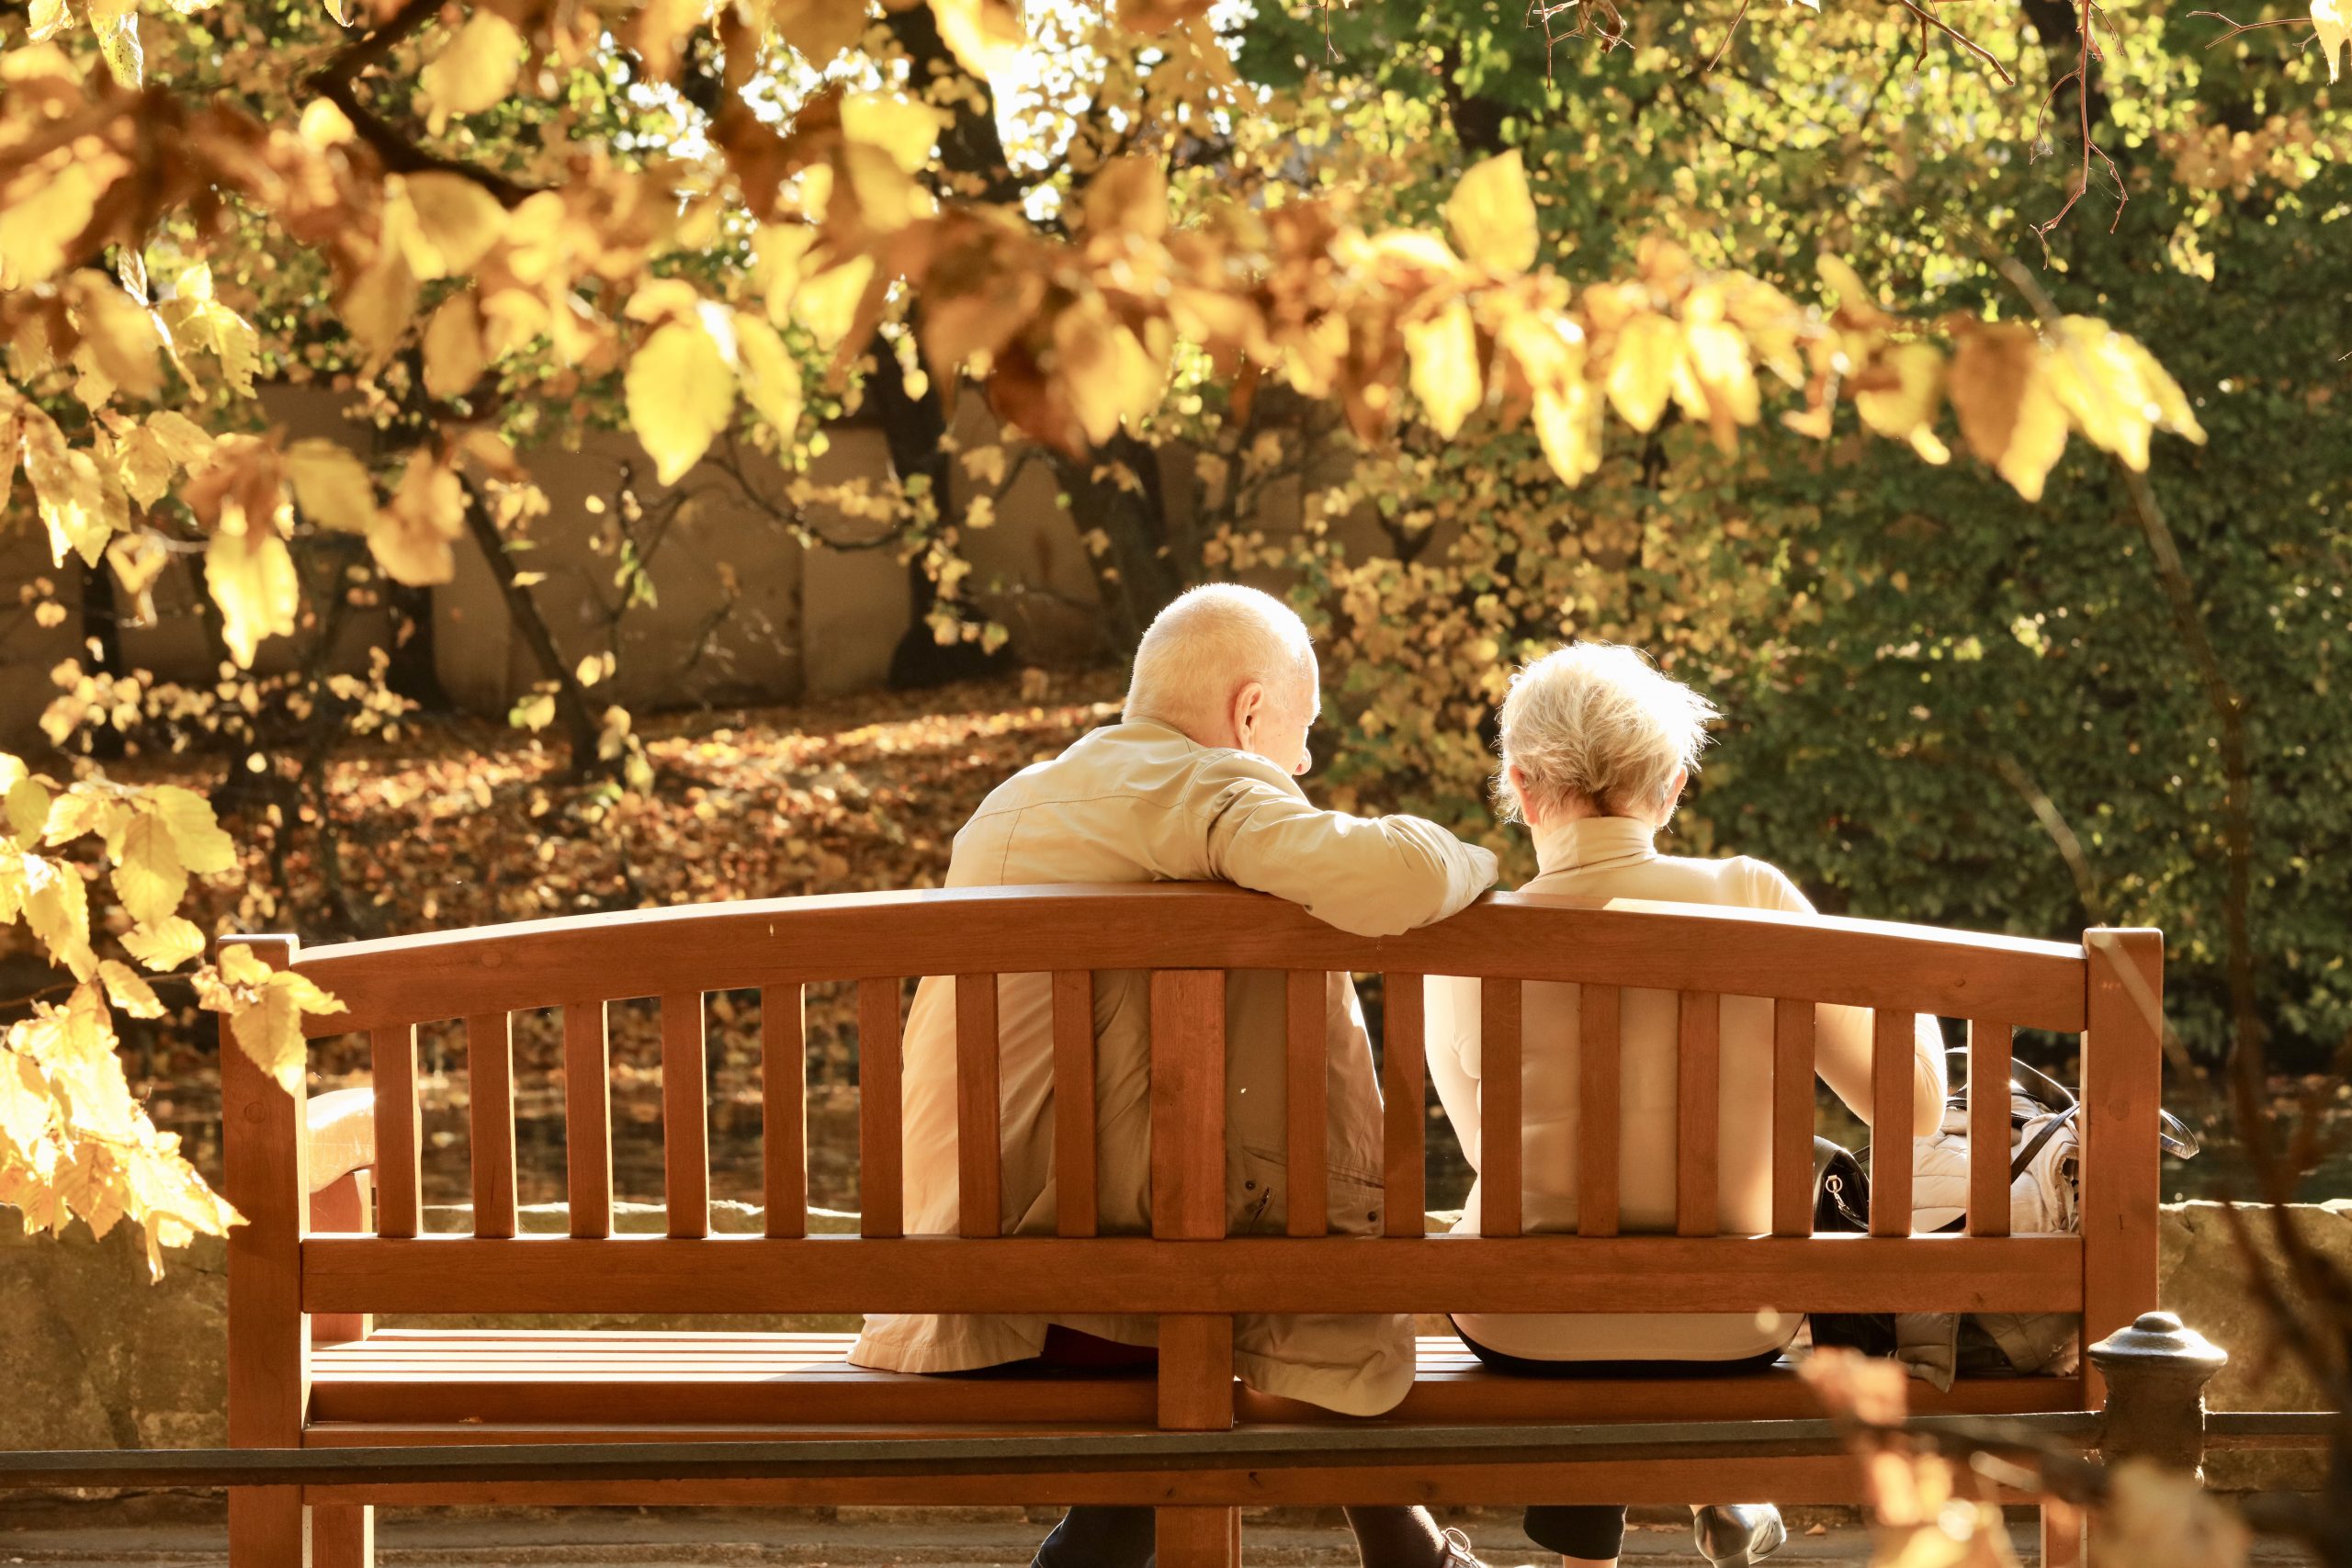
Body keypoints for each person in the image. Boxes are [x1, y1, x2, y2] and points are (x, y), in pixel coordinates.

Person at [852, 584, 1520, 1568]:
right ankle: (1408, 1555)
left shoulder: (1010, 806)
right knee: (1264, 1251)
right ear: (1249, 711)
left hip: (964, 1278)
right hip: (1100, 1294)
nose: (1302, 763)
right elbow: (1398, 879)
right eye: (1300, 730)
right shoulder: (1202, 789)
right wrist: (1476, 859)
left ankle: (1387, 1553)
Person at [1425, 643, 1949, 1568]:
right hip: (1730, 1324)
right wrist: (1907, 984)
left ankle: (1602, 1547)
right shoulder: (1750, 898)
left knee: (1570, 1251)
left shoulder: (1467, 940)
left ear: (1519, 788)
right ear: (1670, 789)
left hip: (1520, 1324)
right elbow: (1913, 1113)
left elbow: (1485, 1153)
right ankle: (1718, 1486)